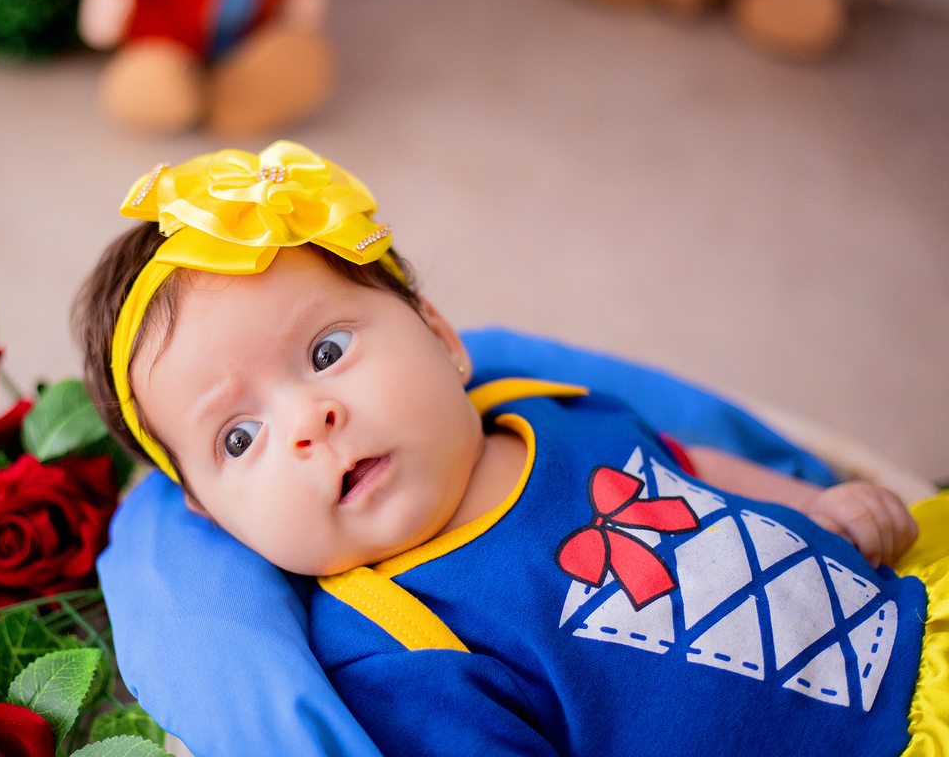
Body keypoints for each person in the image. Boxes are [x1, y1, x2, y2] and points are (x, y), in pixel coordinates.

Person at [76, 140, 947, 756]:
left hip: (910, 628)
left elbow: (686, 464)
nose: (309, 422)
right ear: (212, 513)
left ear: (442, 341)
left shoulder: (543, 408)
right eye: (240, 436)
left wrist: (815, 506)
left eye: (327, 353)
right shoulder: (394, 646)